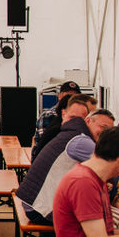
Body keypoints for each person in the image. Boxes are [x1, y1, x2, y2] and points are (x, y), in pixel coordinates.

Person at [25, 108, 115, 221]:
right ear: (88, 121)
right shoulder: (82, 141)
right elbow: (111, 168)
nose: (106, 133)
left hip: (33, 202)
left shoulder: (73, 133)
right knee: (107, 212)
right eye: (103, 127)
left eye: (109, 131)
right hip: (41, 209)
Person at [15, 93, 93, 225]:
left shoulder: (62, 131)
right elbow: (107, 167)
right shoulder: (78, 139)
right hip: (40, 206)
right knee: (94, 216)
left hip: (31, 199)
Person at [33, 82, 83, 156]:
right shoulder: (48, 116)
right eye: (68, 95)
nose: (71, 99)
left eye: (75, 97)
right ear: (59, 96)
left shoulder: (80, 116)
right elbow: (45, 145)